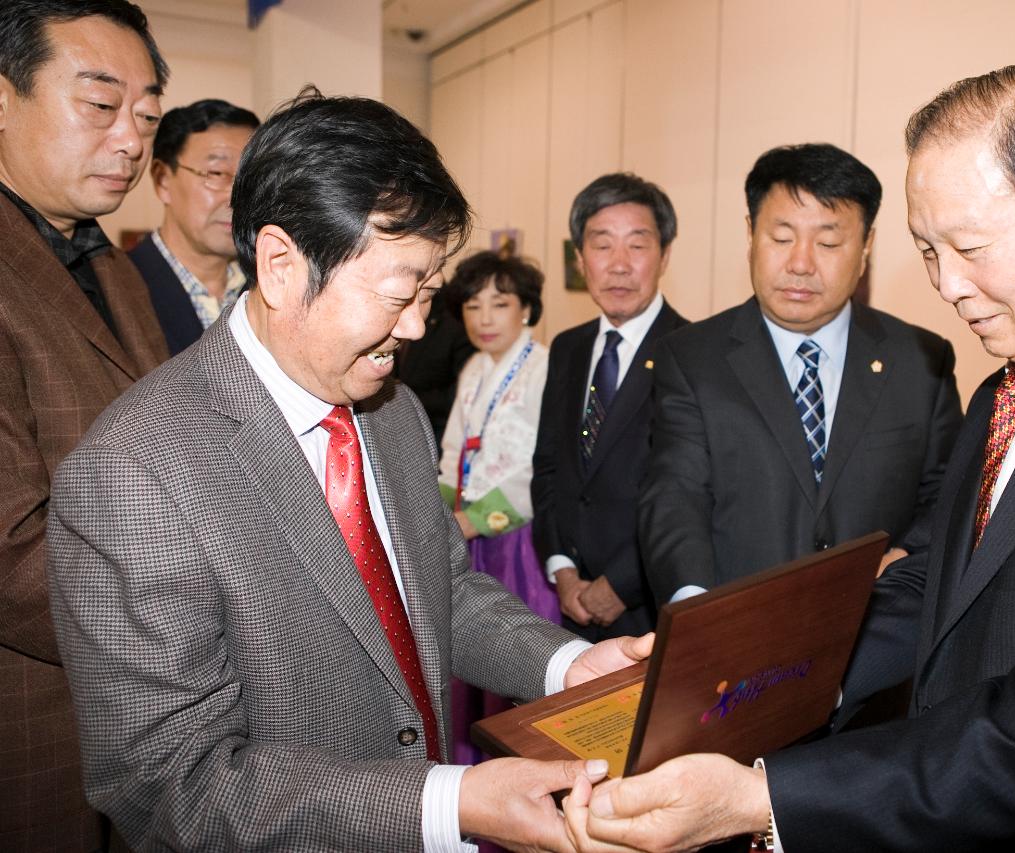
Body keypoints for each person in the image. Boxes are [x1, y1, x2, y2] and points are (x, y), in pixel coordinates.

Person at [564, 66, 1015, 853]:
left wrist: (762, 797)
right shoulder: (1007, 387)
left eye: (969, 247)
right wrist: (743, 675)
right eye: (928, 251)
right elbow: (940, 578)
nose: (947, 285)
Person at [46, 91, 651, 852]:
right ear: (280, 265)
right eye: (400, 294)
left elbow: (441, 587)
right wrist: (445, 801)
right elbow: (173, 781)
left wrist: (568, 664)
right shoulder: (134, 473)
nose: (418, 327)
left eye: (430, 294)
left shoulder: (386, 403)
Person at [638, 143, 963, 605]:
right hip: (737, 633)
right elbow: (675, 495)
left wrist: (909, 553)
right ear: (751, 233)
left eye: (828, 242)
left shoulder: (922, 360)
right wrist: (694, 609)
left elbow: (949, 493)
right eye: (782, 237)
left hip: (877, 634)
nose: (801, 263)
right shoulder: (691, 358)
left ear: (866, 245)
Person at [0, 1, 170, 848]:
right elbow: (10, 547)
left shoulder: (110, 262)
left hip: (128, 718)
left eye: (146, 116)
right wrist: (187, 617)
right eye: (100, 107)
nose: (130, 140)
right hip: (33, 711)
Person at [532, 173, 687, 640]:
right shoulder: (567, 347)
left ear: (664, 256)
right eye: (602, 245)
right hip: (570, 604)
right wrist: (561, 569)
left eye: (637, 245)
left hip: (651, 610)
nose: (619, 265)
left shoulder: (694, 354)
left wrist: (622, 583)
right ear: (580, 258)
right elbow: (549, 467)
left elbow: (693, 498)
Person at [436, 250, 558, 765]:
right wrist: (438, 515)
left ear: (526, 310)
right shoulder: (473, 367)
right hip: (465, 534)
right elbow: (450, 453)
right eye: (472, 305)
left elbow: (536, 467)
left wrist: (471, 519)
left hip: (516, 540)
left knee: (514, 662)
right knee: (467, 667)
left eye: (499, 304)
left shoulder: (544, 367)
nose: (484, 318)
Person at [128, 98, 260, 355]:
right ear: (163, 180)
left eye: (249, 179)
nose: (237, 198)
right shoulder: (120, 284)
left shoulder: (269, 287)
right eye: (216, 173)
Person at [397, 293, 476, 444]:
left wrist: (406, 401)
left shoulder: (454, 325)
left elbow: (456, 395)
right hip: (404, 428)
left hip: (438, 429)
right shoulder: (404, 318)